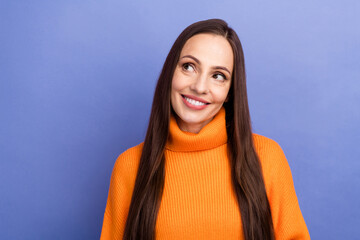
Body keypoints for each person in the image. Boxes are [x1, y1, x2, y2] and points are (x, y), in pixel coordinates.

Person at [100, 19, 310, 240]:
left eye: (218, 76)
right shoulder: (129, 165)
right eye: (189, 67)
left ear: (229, 92)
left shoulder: (266, 157)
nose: (199, 87)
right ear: (171, 71)